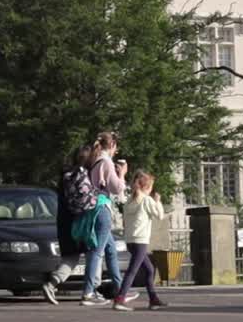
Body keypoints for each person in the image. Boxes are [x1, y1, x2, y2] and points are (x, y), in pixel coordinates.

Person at [81, 130, 135, 307]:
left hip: (94, 208)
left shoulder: (95, 160)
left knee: (110, 250)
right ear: (111, 145)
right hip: (102, 209)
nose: (116, 151)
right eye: (116, 148)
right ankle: (88, 292)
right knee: (97, 251)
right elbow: (116, 187)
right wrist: (122, 173)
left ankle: (120, 291)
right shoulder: (106, 162)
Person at [43, 144, 96, 305]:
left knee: (71, 257)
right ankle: (92, 290)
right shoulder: (83, 175)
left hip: (64, 221)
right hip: (79, 222)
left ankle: (51, 284)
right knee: (94, 254)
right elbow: (88, 202)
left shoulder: (66, 175)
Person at [111, 171, 167, 311]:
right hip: (141, 241)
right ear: (147, 187)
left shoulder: (130, 200)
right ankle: (120, 299)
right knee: (132, 271)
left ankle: (153, 299)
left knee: (149, 270)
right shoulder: (147, 200)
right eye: (151, 187)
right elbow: (160, 216)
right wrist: (158, 201)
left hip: (130, 240)